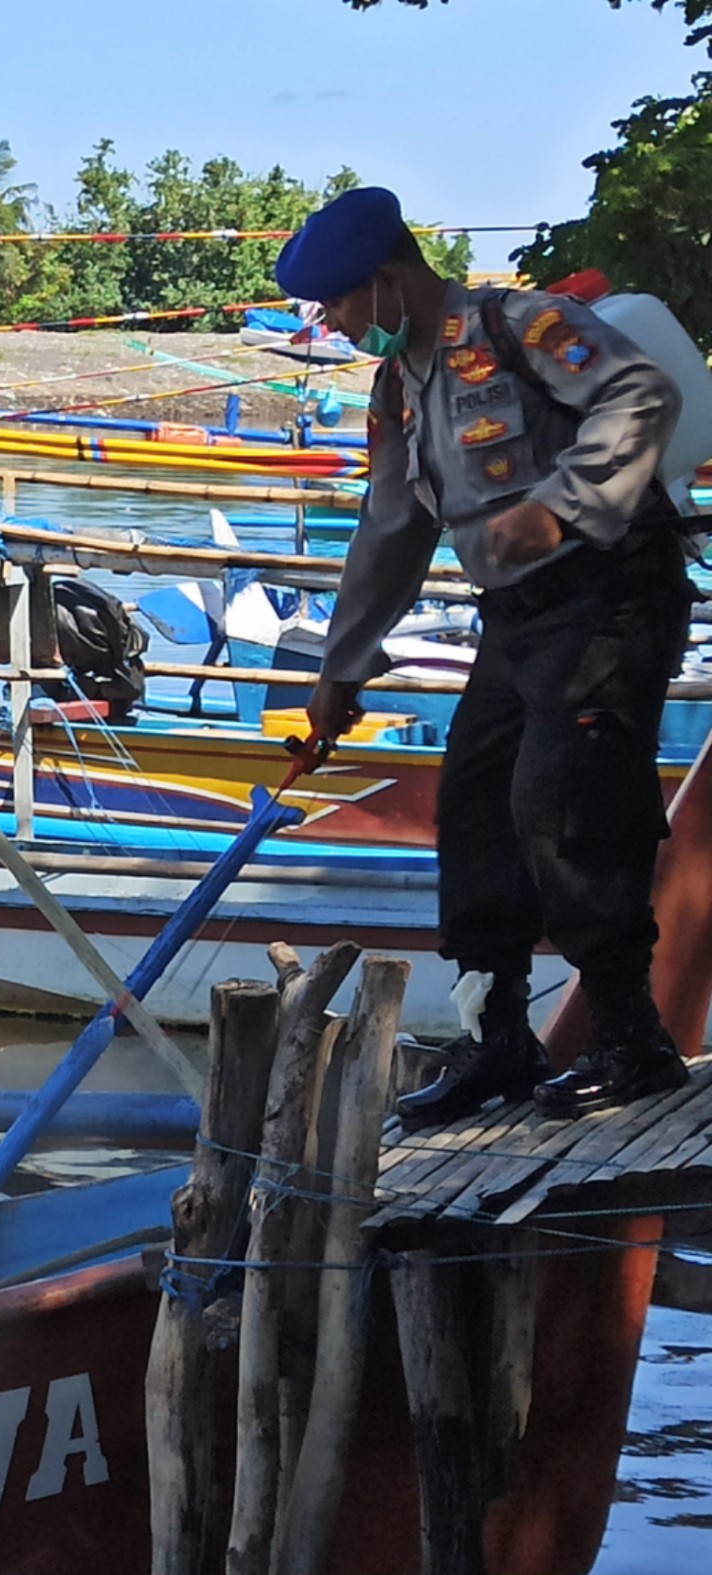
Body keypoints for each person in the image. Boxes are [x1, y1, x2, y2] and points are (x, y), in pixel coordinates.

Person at [280, 186, 694, 1124]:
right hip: (518, 618)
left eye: (341, 303)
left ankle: (631, 1040)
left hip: (611, 592)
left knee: (565, 800)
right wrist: (342, 667)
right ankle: (497, 1035)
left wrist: (560, 502)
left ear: (387, 281)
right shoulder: (400, 386)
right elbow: (389, 528)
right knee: (474, 808)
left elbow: (643, 393)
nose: (333, 323)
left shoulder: (521, 325)